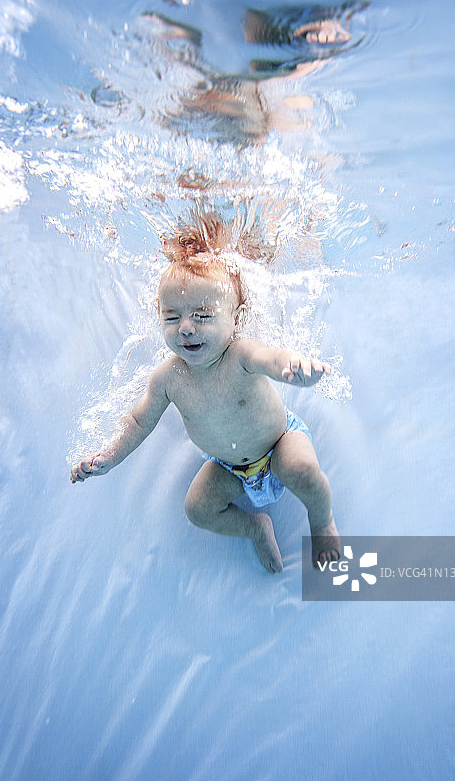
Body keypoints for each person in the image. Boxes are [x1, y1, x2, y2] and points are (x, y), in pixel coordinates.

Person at [70, 211, 341, 573]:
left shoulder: (241, 354)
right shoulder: (168, 378)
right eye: (171, 318)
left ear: (235, 317)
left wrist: (294, 369)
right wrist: (109, 457)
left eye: (202, 315)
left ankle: (323, 523)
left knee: (302, 470)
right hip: (228, 467)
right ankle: (254, 527)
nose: (185, 329)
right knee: (197, 508)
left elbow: (273, 358)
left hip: (279, 442)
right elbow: (138, 420)